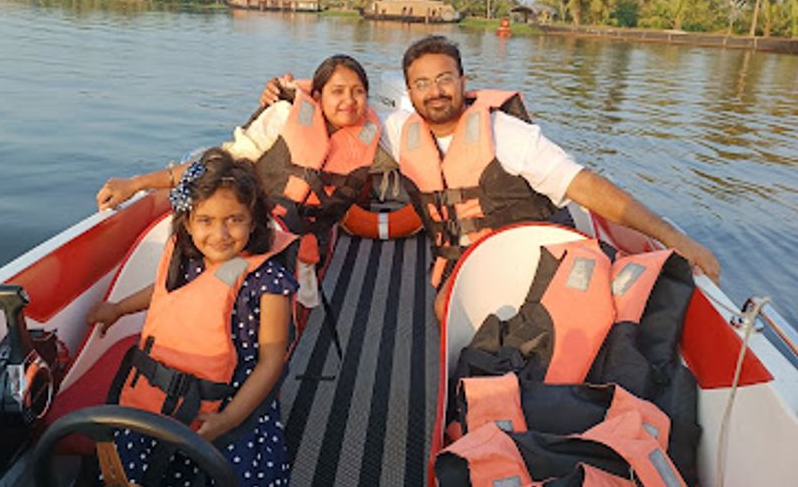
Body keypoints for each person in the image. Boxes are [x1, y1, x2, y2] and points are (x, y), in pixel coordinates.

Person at [263, 35, 721, 321]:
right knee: (446, 313)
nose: (435, 91)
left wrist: (672, 236)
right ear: (409, 92)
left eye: (445, 79)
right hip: (460, 270)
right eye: (421, 84)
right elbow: (338, 103)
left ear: (464, 82)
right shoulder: (400, 131)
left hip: (531, 266)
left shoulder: (507, 134)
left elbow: (589, 188)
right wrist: (286, 90)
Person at [96, 55, 389, 313]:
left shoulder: (374, 138)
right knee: (216, 287)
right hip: (250, 232)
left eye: (358, 92)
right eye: (337, 91)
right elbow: (218, 166)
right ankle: (131, 314)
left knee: (285, 310)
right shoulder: (284, 115)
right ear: (317, 93)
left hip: (303, 244)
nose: (349, 101)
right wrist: (136, 183)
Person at [87, 148, 299, 486]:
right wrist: (117, 309)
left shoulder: (268, 282)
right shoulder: (187, 260)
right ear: (188, 221)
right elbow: (161, 294)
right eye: (206, 221)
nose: (221, 234)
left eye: (235, 219)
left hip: (229, 405)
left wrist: (228, 419)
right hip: (163, 399)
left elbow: (271, 362)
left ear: (254, 221)